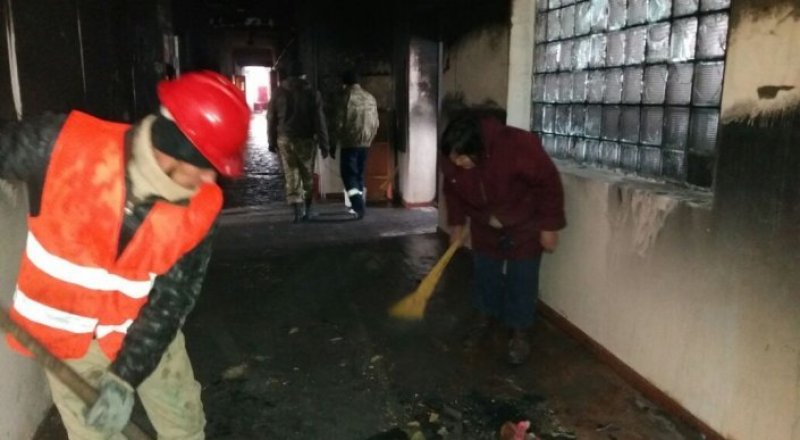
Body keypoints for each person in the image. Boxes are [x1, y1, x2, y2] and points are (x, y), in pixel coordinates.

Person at [0, 71, 250, 438]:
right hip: (71, 345)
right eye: (205, 166)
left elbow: (172, 300)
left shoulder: (201, 209)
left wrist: (124, 377)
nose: (210, 180)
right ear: (176, 150)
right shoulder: (60, 148)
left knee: (184, 429)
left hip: (148, 338)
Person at [439, 109, 566, 365]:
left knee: (522, 277)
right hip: (484, 223)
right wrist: (457, 224)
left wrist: (549, 226)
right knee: (485, 271)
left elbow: (549, 182)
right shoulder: (453, 156)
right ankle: (485, 315)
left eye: (462, 159)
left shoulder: (518, 145)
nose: (457, 164)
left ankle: (520, 331)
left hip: (524, 222)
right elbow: (452, 189)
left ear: (478, 149)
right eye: (453, 159)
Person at [267, 62, 330, 222]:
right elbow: (320, 120)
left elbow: (271, 119)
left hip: (285, 139)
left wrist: (271, 141)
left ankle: (296, 211)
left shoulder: (278, 93)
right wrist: (324, 144)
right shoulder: (312, 93)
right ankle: (307, 211)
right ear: (303, 76)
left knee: (291, 173)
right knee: (307, 174)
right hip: (306, 139)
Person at [335, 70, 379, 219]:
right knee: (359, 174)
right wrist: (370, 138)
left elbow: (338, 123)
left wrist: (333, 142)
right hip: (366, 143)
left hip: (349, 143)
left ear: (345, 83)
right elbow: (376, 122)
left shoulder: (345, 98)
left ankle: (358, 205)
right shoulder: (370, 97)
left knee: (348, 175)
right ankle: (358, 205)